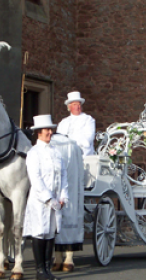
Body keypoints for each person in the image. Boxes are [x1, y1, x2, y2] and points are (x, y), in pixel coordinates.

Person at [23, 115, 69, 280]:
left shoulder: (56, 153)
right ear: (39, 133)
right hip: (40, 201)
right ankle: (40, 270)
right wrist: (49, 199)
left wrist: (63, 196)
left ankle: (47, 270)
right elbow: (35, 179)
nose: (50, 132)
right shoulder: (34, 153)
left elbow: (63, 175)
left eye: (51, 129)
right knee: (40, 233)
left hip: (56, 200)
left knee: (50, 233)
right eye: (47, 130)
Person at [54, 91, 94, 271]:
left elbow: (87, 140)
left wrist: (70, 143)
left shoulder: (88, 120)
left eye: (78, 103)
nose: (76, 106)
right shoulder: (63, 123)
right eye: (73, 104)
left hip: (83, 158)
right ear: (69, 106)